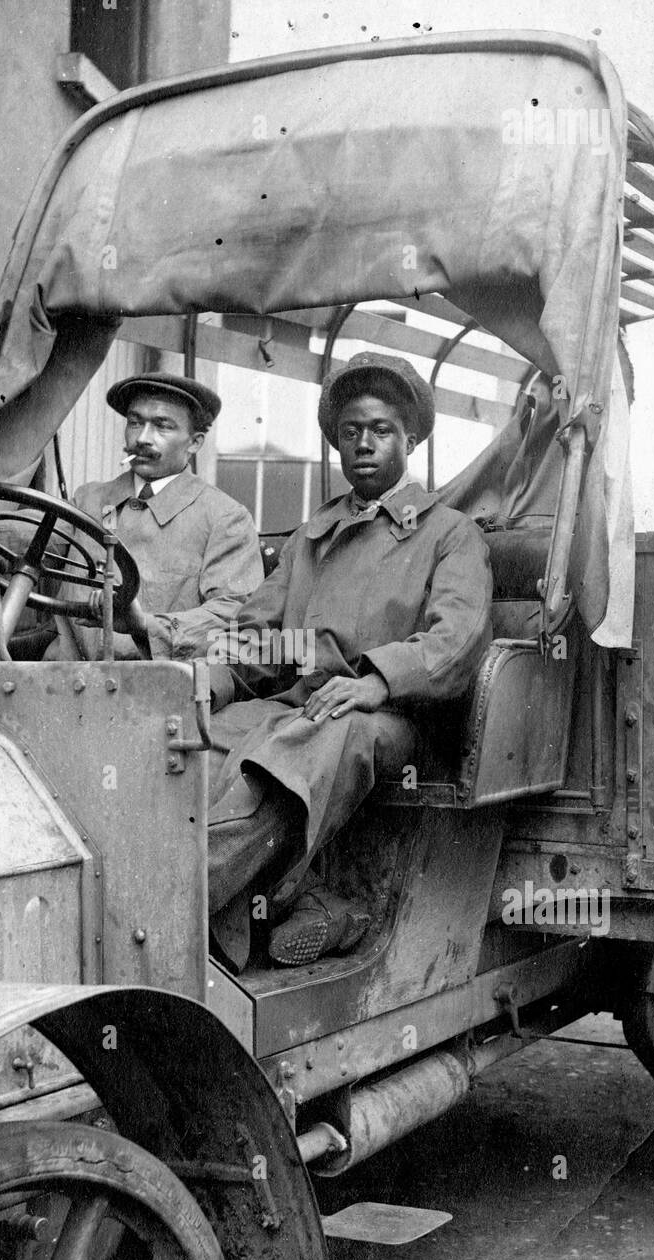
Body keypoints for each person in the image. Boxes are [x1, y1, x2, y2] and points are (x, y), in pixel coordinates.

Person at [204, 352, 494, 971]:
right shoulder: (312, 535)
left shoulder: (448, 533)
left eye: (381, 430)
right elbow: (259, 635)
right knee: (195, 735)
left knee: (319, 738)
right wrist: (216, 677)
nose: (364, 444)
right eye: (350, 432)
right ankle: (303, 904)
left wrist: (376, 681)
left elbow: (456, 644)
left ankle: (183, 897)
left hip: (393, 719)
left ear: (410, 439)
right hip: (299, 705)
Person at [52, 372, 263, 659]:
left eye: (162, 426)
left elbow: (234, 617)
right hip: (60, 680)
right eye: (135, 422)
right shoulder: (88, 499)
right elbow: (29, 534)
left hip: (156, 691)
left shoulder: (225, 519)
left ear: (195, 443)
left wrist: (146, 626)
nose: (141, 438)